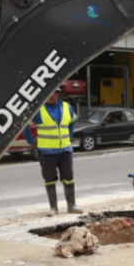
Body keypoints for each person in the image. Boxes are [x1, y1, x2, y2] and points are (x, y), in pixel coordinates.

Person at [26, 85, 80, 215]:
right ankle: (53, 208)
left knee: (68, 177)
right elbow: (25, 124)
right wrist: (30, 141)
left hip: (65, 150)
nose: (48, 96)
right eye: (46, 94)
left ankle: (71, 206)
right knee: (49, 179)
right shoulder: (39, 110)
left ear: (58, 94)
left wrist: (70, 135)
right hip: (47, 151)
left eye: (51, 93)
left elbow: (73, 120)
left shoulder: (67, 107)